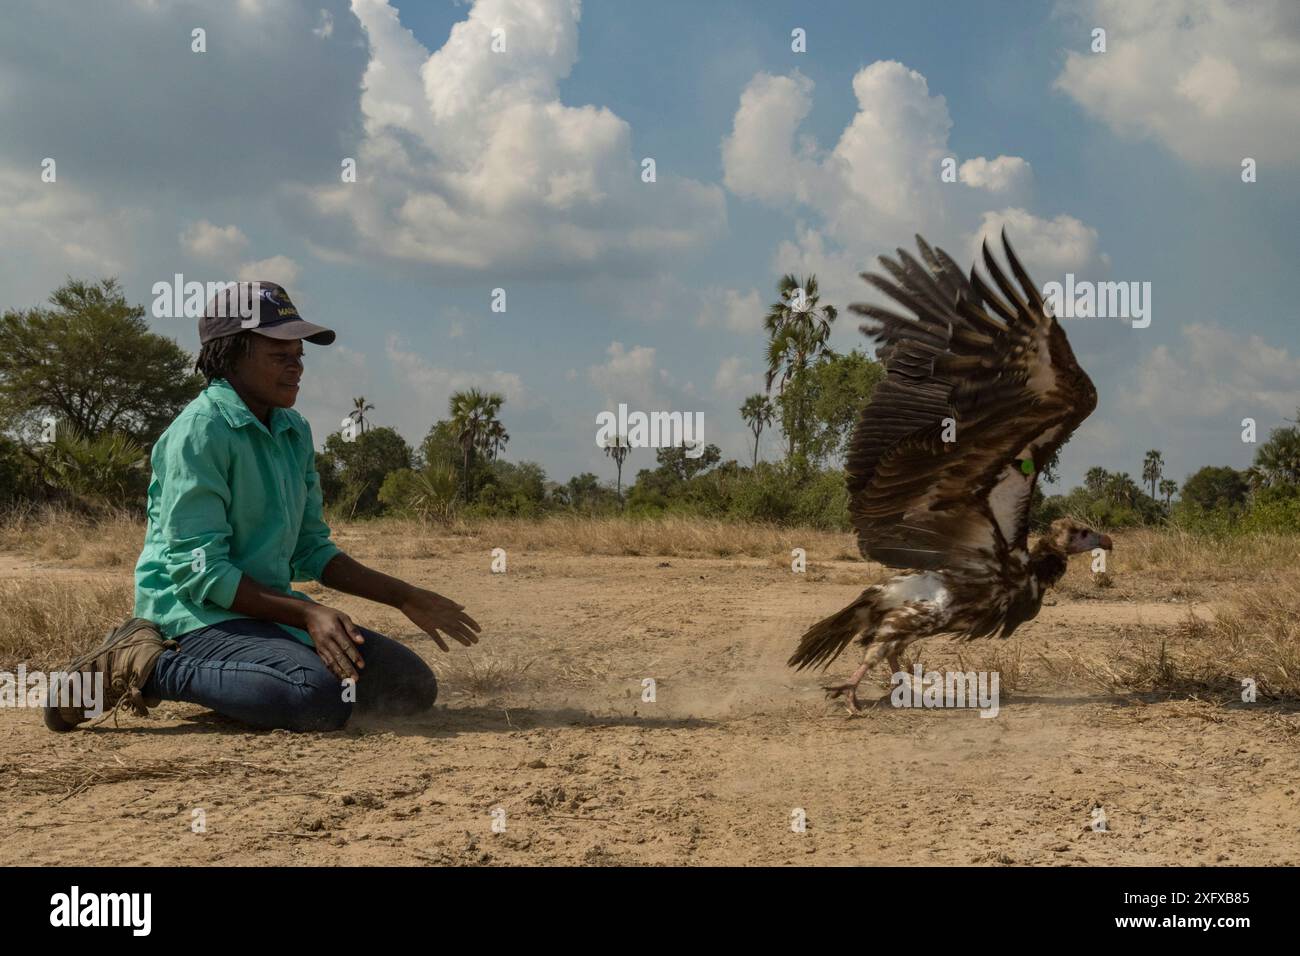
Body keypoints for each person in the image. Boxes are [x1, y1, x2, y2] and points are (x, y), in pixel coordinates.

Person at [45, 281, 481, 733]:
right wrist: (309, 614)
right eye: (279, 356)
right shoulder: (201, 432)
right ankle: (145, 663)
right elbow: (202, 572)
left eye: (298, 356)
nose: (296, 368)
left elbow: (312, 550)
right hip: (194, 616)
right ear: (231, 357)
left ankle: (243, 687)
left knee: (409, 687)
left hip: (263, 614)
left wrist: (404, 596)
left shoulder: (292, 430)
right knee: (316, 697)